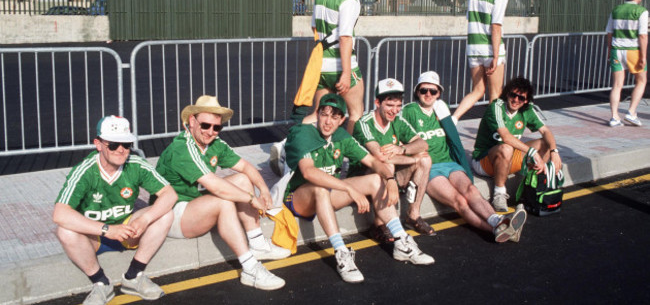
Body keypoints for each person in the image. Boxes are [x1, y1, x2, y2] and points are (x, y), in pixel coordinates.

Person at [283, 93, 434, 283]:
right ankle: (341, 253)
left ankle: (402, 242)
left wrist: (390, 179)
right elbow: (309, 173)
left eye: (335, 117)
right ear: (318, 114)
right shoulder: (303, 132)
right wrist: (349, 189)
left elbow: (372, 160)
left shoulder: (340, 136)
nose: (328, 121)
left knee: (375, 180)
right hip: (299, 197)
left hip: (328, 195)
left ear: (342, 120)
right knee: (319, 188)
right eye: (324, 114)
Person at [154, 95, 288, 291]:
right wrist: (252, 199)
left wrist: (264, 189)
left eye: (216, 127)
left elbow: (246, 167)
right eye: (205, 125)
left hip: (195, 205)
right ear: (192, 121)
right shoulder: (181, 148)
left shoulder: (214, 144)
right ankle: (250, 268)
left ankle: (257, 243)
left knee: (242, 179)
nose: (211, 132)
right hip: (170, 213)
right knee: (223, 201)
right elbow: (216, 187)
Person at [53, 116, 177, 305]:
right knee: (65, 231)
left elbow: (170, 194)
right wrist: (107, 230)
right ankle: (101, 284)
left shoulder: (135, 164)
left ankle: (134, 276)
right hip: (95, 235)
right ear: (99, 144)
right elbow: (60, 213)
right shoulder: (85, 170)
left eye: (126, 144)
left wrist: (144, 220)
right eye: (113, 144)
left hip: (128, 230)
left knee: (165, 213)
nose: (121, 150)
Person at [270, 0, 370, 176]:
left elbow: (315, 27)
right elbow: (345, 37)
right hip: (342, 64)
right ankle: (352, 164)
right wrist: (345, 72)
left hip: (321, 64)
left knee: (317, 113)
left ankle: (286, 145)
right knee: (355, 114)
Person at [401, 72, 526, 242]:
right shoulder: (410, 111)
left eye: (433, 91)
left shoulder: (441, 108)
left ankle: (498, 220)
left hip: (449, 163)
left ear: (439, 93)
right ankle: (495, 230)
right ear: (417, 91)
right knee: (458, 201)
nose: (428, 95)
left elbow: (454, 140)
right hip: (429, 168)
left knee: (471, 190)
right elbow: (400, 137)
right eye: (424, 90)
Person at [352, 78, 434, 240]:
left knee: (425, 159)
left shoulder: (398, 120)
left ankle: (413, 215)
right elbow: (380, 157)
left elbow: (423, 144)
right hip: (364, 178)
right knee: (387, 165)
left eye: (398, 105)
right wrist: (411, 159)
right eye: (389, 105)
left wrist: (403, 149)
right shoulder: (364, 123)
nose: (395, 110)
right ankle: (379, 225)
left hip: (391, 174)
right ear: (377, 102)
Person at [471, 77, 563, 212]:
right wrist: (532, 153)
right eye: (513, 95)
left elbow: (545, 131)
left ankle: (533, 188)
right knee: (506, 147)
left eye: (521, 98)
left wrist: (555, 152)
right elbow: (506, 137)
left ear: (526, 100)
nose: (516, 100)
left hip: (508, 158)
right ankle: (499, 194)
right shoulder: (496, 107)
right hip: (484, 161)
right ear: (507, 93)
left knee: (545, 144)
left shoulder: (527, 109)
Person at [453, 0, 510, 121]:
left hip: (473, 47)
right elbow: (496, 26)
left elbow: (470, 17)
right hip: (491, 48)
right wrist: (495, 55)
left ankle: (453, 119)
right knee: (495, 94)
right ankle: (493, 130)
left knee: (477, 91)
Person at [607, 0, 648, 127]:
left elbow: (609, 33)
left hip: (616, 50)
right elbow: (643, 36)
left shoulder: (616, 10)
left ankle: (614, 117)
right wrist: (643, 57)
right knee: (641, 81)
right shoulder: (642, 11)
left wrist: (609, 51)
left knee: (617, 85)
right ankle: (631, 112)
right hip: (633, 51)